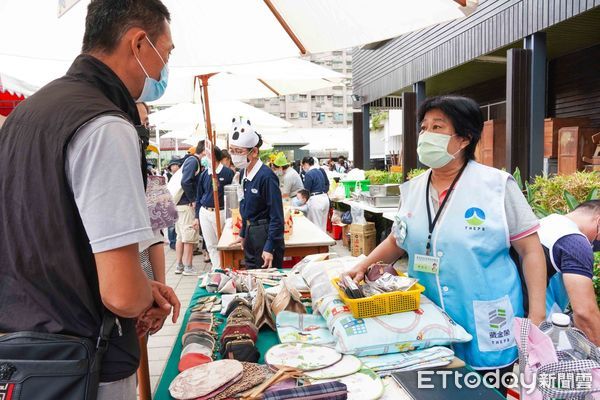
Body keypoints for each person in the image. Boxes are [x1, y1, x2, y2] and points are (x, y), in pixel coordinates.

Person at [0, 1, 180, 399]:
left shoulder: (23, 116)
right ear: (138, 43)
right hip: (86, 366)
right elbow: (119, 294)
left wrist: (141, 285)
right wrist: (141, 297)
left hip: (22, 360)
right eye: (165, 53)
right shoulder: (105, 125)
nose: (165, 67)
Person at [346, 96, 547, 393]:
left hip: (487, 319)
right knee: (431, 389)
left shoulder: (496, 186)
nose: (426, 135)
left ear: (464, 138)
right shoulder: (413, 189)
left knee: (484, 393)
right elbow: (397, 239)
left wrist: (537, 314)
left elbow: (530, 250)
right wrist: (361, 265)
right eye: (424, 127)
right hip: (427, 319)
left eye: (437, 127)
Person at [536, 200, 600, 345]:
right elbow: (585, 313)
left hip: (517, 325)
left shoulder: (543, 223)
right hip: (544, 334)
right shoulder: (574, 241)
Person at [229, 118, 285, 269]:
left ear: (254, 152)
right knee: (251, 276)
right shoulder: (243, 174)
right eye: (232, 151)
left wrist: (269, 246)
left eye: (239, 152)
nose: (235, 156)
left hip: (265, 232)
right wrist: (242, 232)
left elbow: (277, 215)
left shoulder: (266, 176)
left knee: (266, 280)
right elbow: (245, 206)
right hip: (250, 231)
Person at [193, 146, 235, 269]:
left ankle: (226, 267)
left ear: (215, 157)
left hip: (221, 212)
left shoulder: (227, 173)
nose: (205, 158)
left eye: (207, 155)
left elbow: (232, 195)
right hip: (205, 212)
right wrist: (196, 217)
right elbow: (199, 196)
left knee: (223, 243)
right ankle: (216, 268)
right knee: (211, 244)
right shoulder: (204, 174)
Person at [174, 140, 205, 275]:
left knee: (181, 236)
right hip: (186, 204)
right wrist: (193, 199)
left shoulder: (188, 160)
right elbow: (186, 181)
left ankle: (179, 265)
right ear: (204, 151)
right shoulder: (194, 161)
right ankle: (188, 266)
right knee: (189, 236)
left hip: (179, 204)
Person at [301, 156, 330, 232]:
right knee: (323, 226)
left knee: (316, 226)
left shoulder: (309, 174)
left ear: (306, 164)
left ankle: (319, 243)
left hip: (316, 200)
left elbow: (306, 190)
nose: (303, 167)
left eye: (303, 165)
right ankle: (324, 243)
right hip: (324, 198)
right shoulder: (319, 171)